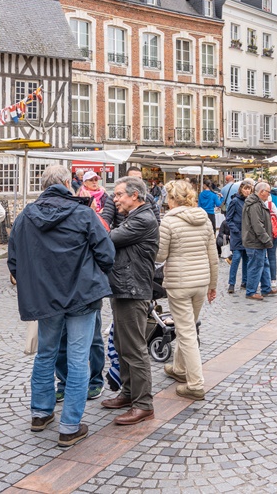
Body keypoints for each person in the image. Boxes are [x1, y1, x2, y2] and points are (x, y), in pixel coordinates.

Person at [8, 165, 115, 448]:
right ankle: (69, 425)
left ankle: (40, 413)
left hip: (46, 297)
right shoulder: (83, 213)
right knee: (78, 357)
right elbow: (106, 253)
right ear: (69, 183)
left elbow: (14, 260)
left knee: (46, 353)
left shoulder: (26, 216)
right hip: (81, 293)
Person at [101, 176, 159, 425]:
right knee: (122, 345)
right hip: (125, 287)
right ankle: (128, 393)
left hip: (133, 289)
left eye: (118, 195)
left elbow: (108, 238)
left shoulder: (143, 219)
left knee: (134, 348)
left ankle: (143, 403)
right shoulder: (135, 217)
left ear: (135, 195)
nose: (115, 200)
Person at [155, 180, 218, 401]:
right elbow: (213, 256)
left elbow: (160, 256)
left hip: (179, 284)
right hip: (201, 282)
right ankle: (180, 369)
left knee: (186, 332)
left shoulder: (169, 222)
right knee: (188, 326)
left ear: (172, 199)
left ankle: (195, 383)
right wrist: (213, 285)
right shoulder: (204, 219)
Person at [242, 182, 277, 300]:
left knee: (263, 264)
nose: (269, 194)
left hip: (257, 241)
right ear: (261, 192)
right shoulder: (254, 205)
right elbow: (257, 226)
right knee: (255, 266)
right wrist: (266, 239)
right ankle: (251, 291)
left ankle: (266, 288)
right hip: (255, 241)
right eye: (268, 192)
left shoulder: (257, 203)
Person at [226, 180, 254, 294]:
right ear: (241, 189)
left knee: (247, 259)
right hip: (237, 235)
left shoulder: (251, 201)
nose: (247, 191)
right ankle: (231, 283)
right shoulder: (235, 201)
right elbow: (229, 218)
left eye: (249, 189)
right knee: (236, 258)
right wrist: (235, 230)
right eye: (245, 189)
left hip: (248, 234)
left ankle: (245, 281)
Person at [198, 180, 223, 256]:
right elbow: (219, 204)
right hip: (211, 214)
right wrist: (221, 198)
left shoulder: (201, 194)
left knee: (202, 231)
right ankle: (212, 248)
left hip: (202, 213)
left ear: (205, 185)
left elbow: (199, 205)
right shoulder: (213, 195)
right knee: (212, 232)